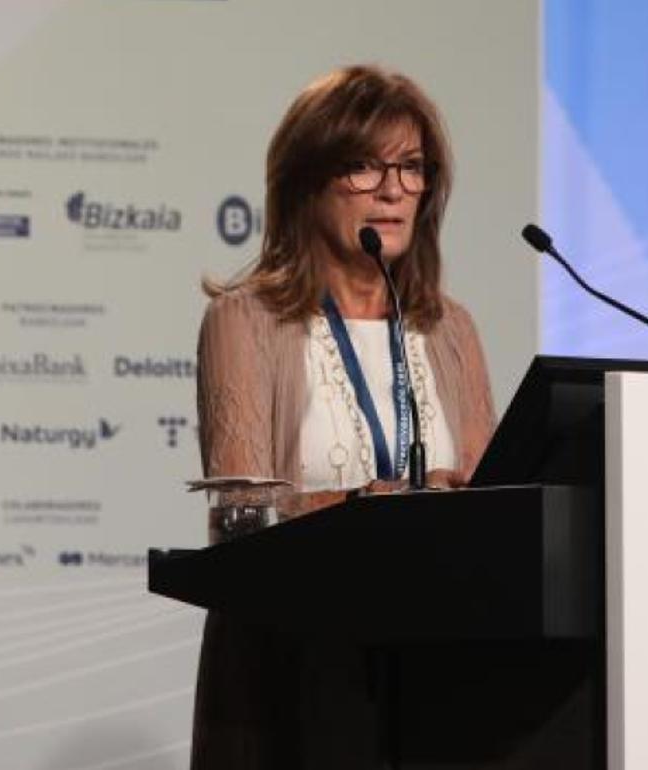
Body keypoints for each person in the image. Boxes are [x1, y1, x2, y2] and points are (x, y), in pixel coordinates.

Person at [190, 64, 496, 768]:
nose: (393, 190)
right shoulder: (246, 320)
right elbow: (240, 518)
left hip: (436, 667)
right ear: (306, 181)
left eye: (411, 167)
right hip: (294, 670)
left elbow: (490, 499)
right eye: (363, 166)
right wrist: (366, 508)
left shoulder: (450, 328)